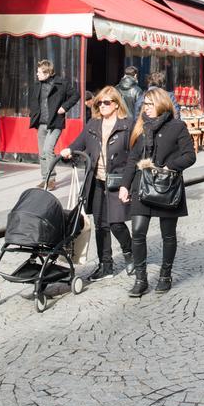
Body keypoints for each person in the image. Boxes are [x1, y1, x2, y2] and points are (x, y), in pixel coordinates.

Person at [123, 88, 196, 297]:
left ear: (162, 104)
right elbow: (132, 159)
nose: (146, 108)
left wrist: (168, 166)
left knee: (168, 234)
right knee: (137, 231)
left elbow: (190, 156)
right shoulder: (141, 127)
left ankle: (165, 275)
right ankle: (141, 279)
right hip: (142, 184)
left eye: (150, 104)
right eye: (144, 104)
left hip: (167, 187)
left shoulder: (177, 126)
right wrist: (124, 185)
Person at [61, 86, 133, 280]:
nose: (102, 105)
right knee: (101, 226)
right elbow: (79, 143)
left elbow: (135, 156)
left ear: (116, 105)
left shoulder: (127, 125)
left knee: (116, 223)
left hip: (118, 181)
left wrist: (129, 183)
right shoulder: (93, 125)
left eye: (106, 102)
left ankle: (130, 252)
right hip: (96, 181)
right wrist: (68, 150)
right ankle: (105, 266)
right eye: (99, 102)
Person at [29, 59, 79, 190]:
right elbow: (35, 102)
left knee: (47, 150)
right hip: (41, 123)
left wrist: (65, 107)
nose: (37, 74)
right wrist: (33, 114)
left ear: (47, 73)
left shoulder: (61, 83)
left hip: (55, 122)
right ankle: (45, 178)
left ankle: (51, 179)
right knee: (42, 153)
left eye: (39, 72)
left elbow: (76, 94)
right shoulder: (37, 85)